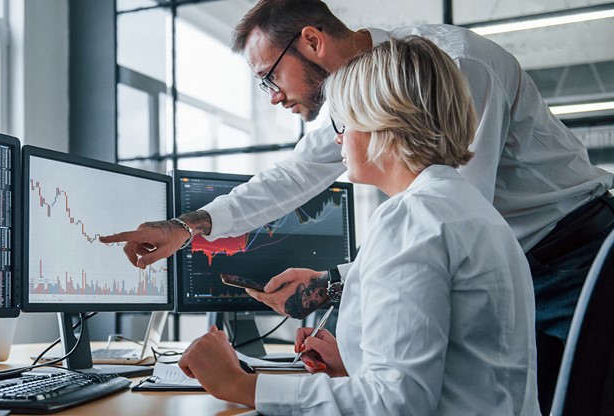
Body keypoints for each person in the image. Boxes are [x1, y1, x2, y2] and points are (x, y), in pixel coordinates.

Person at [100, 0, 614, 411]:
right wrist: (188, 226)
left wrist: (244, 384)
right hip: (517, 257)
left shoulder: (449, 71)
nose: (272, 97)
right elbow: (298, 173)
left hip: (573, 252)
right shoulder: (376, 101)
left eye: (268, 78)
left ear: (312, 41)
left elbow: (440, 236)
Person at [177, 36, 541, 415]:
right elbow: (458, 374)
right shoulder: (474, 210)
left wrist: (241, 384)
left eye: (345, 122)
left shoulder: (411, 218)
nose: (337, 139)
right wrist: (354, 367)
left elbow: (394, 404)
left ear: (381, 122)